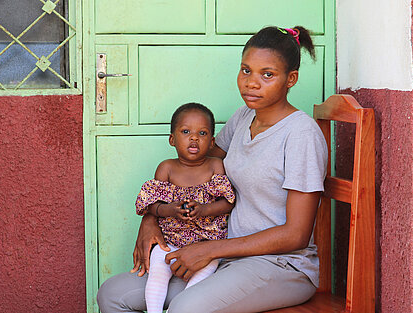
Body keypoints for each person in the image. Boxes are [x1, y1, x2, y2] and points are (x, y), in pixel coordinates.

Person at [97, 26, 328, 313]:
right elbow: (197, 167)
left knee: (185, 309)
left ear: (290, 79)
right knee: (112, 294)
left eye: (267, 74)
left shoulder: (301, 134)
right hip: (227, 257)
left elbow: (296, 234)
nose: (252, 83)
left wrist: (209, 250)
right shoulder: (245, 117)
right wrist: (151, 218)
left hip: (282, 265)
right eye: (246, 71)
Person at [134, 102, 235, 313]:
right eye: (186, 131)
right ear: (172, 139)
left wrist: (204, 210)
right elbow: (152, 205)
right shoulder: (167, 168)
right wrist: (169, 209)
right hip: (169, 241)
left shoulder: (215, 165)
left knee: (202, 279)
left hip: (206, 244)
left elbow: (227, 202)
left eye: (203, 133)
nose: (194, 138)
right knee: (158, 271)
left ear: (211, 142)